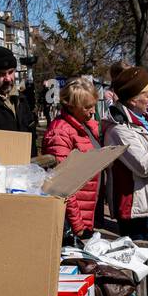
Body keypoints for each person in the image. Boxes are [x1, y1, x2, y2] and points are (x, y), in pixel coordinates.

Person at [102, 66, 148, 243]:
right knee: (142, 259)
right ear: (134, 100)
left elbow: (143, 157)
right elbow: (144, 166)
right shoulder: (120, 130)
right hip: (133, 207)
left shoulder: (134, 123)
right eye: (147, 96)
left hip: (142, 203)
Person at [41, 78, 101, 242]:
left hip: (86, 209)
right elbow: (63, 182)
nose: (93, 111)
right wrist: (78, 225)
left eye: (93, 105)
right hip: (73, 220)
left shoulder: (85, 125)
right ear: (71, 106)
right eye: (87, 107)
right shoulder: (60, 132)